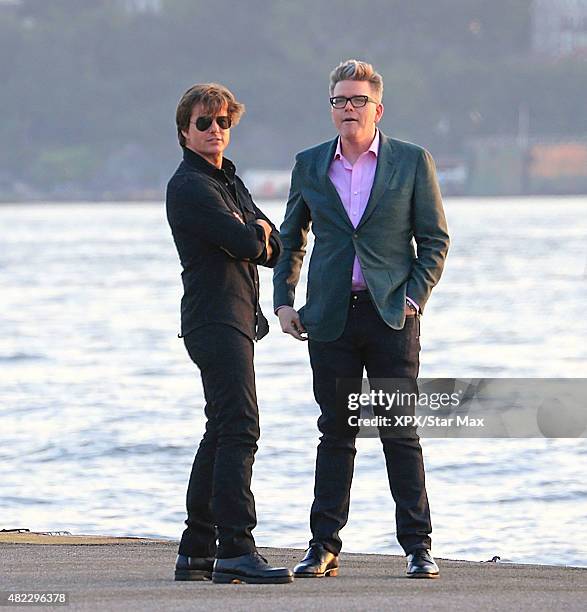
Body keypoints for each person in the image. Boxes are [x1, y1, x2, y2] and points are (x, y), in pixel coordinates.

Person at [273, 60, 449, 579]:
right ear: (330, 108)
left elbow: (434, 240)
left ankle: (418, 547)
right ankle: (323, 545)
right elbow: (291, 238)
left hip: (391, 314)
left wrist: (414, 298)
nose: (347, 109)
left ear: (377, 109)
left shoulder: (412, 161)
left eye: (356, 101)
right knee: (335, 432)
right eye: (338, 101)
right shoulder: (309, 164)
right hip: (329, 317)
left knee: (399, 431)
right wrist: (284, 300)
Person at [166, 83, 292, 584]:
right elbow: (248, 237)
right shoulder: (191, 186)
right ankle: (237, 548)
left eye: (222, 122)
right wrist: (252, 232)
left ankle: (196, 550)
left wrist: (255, 233)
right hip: (213, 318)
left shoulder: (228, 181)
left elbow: (273, 243)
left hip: (235, 317)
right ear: (184, 132)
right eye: (204, 122)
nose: (215, 129)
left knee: (220, 429)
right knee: (240, 427)